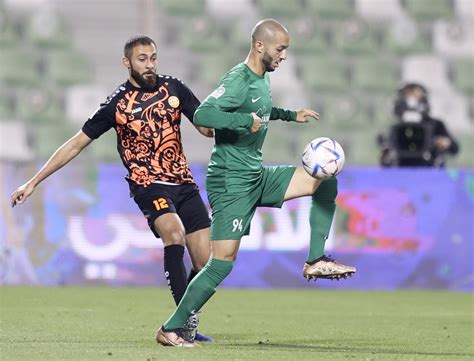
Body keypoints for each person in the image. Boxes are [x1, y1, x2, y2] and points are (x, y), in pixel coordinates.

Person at [155, 19, 356, 348]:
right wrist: (242, 121)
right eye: (280, 49)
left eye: (287, 50)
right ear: (260, 46)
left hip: (255, 175)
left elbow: (259, 110)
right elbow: (205, 114)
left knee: (324, 180)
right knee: (221, 264)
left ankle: (316, 259)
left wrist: (290, 115)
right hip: (231, 181)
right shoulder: (238, 79)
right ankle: (171, 328)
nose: (284, 56)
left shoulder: (261, 80)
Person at [10, 35, 214, 342]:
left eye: (153, 58)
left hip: (183, 182)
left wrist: (227, 117)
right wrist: (34, 181)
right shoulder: (117, 104)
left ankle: (184, 322)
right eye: (142, 59)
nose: (150, 65)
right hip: (148, 185)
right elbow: (76, 144)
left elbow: (206, 127)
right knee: (174, 235)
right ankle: (178, 324)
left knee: (205, 262)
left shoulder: (175, 88)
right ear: (127, 62)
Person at [378, 83, 459, 167]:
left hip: (430, 170)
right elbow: (387, 157)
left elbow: (455, 148)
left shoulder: (436, 125)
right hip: (401, 170)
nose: (411, 97)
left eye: (414, 92)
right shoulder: (395, 127)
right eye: (407, 93)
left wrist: (445, 143)